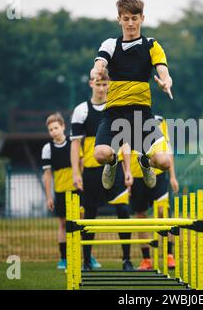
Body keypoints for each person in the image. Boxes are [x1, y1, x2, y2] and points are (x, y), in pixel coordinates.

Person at [90, 0, 173, 192]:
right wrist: (96, 70)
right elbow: (100, 62)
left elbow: (163, 70)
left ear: (142, 19)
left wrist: (166, 81)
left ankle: (144, 161)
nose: (130, 23)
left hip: (141, 115)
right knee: (100, 154)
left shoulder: (152, 45)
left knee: (164, 162)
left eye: (134, 18)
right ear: (119, 19)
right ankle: (112, 163)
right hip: (114, 114)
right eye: (126, 18)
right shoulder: (111, 44)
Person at [71, 69, 134, 271]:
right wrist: (75, 172)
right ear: (91, 84)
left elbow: (125, 143)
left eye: (105, 84)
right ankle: (87, 261)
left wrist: (129, 169)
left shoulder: (117, 109)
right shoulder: (81, 111)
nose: (101, 88)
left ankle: (126, 260)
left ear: (110, 85)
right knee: (89, 215)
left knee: (124, 211)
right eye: (97, 84)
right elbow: (75, 145)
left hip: (115, 170)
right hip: (90, 171)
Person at [128, 115, 179, 270]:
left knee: (163, 212)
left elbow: (167, 149)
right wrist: (127, 174)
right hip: (137, 176)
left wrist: (172, 176)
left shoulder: (159, 120)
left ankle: (169, 256)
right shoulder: (126, 121)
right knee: (140, 216)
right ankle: (146, 259)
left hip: (157, 174)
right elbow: (124, 149)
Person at [41, 112, 78, 270]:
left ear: (63, 126)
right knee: (63, 224)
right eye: (50, 130)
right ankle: (64, 258)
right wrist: (49, 197)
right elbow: (47, 175)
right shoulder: (48, 149)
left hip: (77, 189)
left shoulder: (73, 143)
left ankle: (87, 257)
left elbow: (81, 164)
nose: (54, 131)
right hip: (61, 191)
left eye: (56, 128)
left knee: (81, 223)